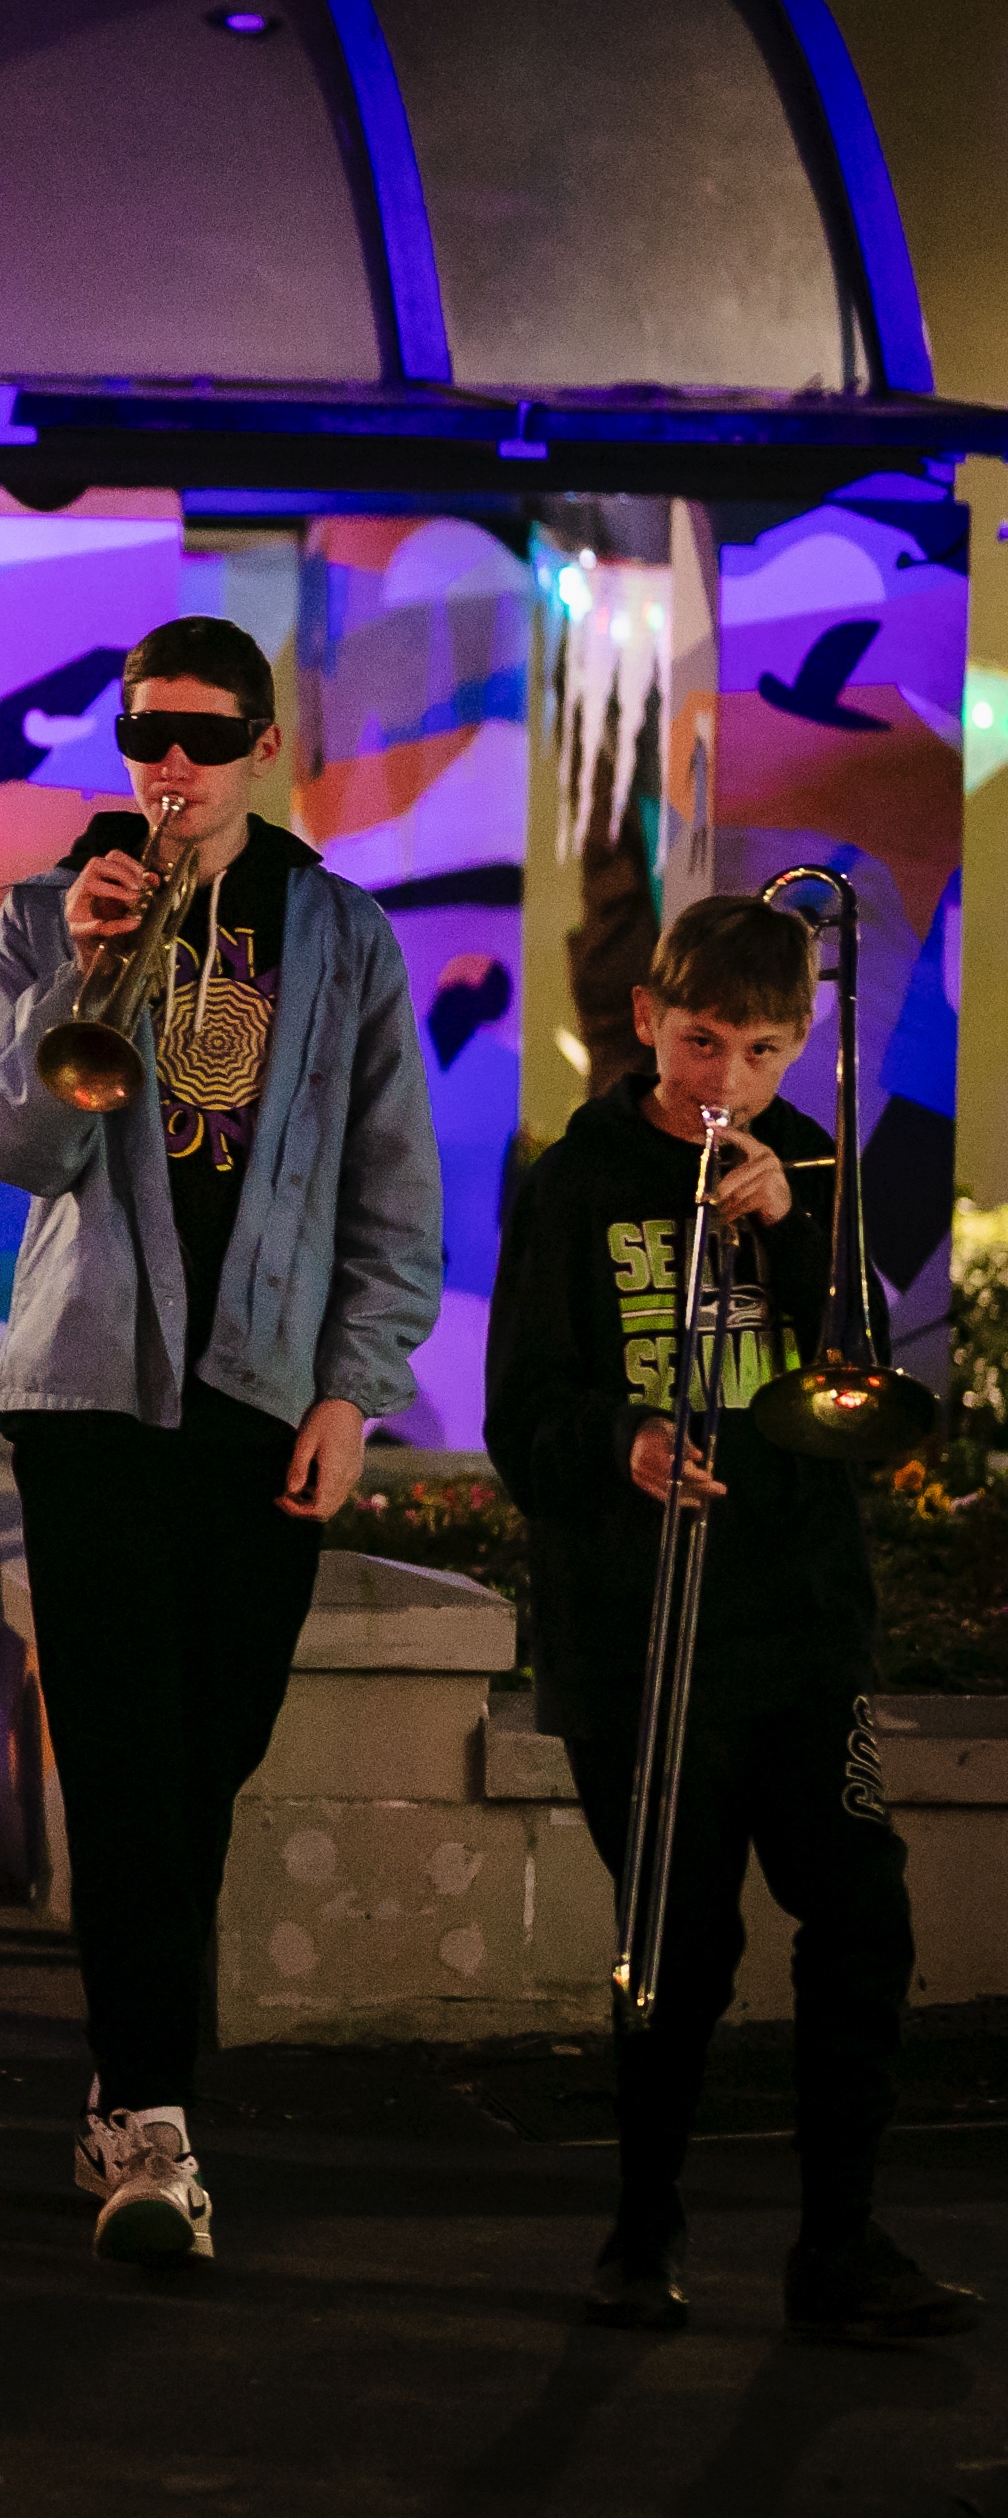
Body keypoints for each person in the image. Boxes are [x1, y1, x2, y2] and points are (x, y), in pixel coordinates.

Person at [0, 613, 441, 2269]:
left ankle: (135, 2051)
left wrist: (351, 1389)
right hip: (87, 1393)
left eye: (202, 735)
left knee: (206, 1749)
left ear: (263, 744)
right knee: (119, 1752)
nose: (169, 765)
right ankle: (148, 2114)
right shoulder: (47, 914)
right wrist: (83, 973)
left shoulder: (344, 938)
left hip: (260, 1396)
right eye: (145, 734)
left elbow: (394, 1189)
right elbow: (16, 1152)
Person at [486, 893, 979, 2340]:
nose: (728, 1083)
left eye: (763, 1052)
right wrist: (625, 1445)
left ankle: (842, 2238)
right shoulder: (572, 1183)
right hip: (641, 1630)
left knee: (864, 1914)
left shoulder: (806, 1166)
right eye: (702, 1042)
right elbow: (524, 1413)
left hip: (802, 1617)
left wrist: (800, 1222)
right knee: (679, 1943)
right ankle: (643, 2226)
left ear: (799, 1043)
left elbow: (871, 1382)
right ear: (648, 1021)